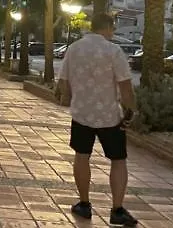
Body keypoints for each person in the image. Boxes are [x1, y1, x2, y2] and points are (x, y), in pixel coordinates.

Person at [57, 13, 138, 226]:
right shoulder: (114, 51)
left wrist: (69, 97)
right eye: (113, 28)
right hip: (110, 116)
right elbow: (125, 85)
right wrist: (131, 110)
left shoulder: (74, 49)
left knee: (82, 156)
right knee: (118, 160)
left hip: (81, 114)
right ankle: (117, 209)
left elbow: (63, 82)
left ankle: (84, 204)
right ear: (108, 27)